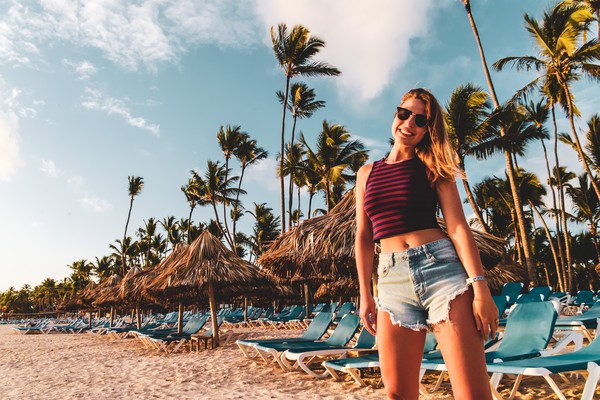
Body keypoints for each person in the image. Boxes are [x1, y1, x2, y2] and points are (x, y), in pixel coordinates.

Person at [355, 88, 498, 400]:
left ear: (428, 130)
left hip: (442, 274)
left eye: (421, 120)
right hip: (391, 282)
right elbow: (364, 237)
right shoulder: (367, 173)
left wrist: (480, 287)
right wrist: (366, 294)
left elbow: (459, 228)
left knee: (472, 395)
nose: (409, 123)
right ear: (395, 114)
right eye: (404, 113)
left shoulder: (435, 165)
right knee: (397, 394)